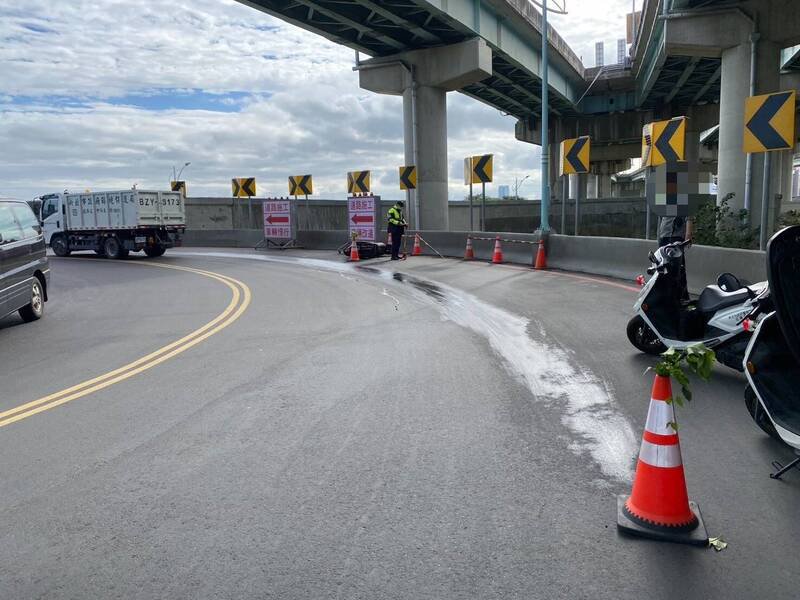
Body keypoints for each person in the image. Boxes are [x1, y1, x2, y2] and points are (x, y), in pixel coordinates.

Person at [658, 215, 693, 301]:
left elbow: (689, 215)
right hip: (664, 235)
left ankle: (683, 298)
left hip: (676, 236)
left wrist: (688, 234)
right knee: (663, 269)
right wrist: (659, 236)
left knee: (679, 269)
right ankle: (666, 297)